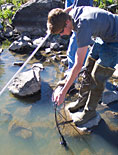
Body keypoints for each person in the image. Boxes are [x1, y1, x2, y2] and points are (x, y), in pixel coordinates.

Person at [47, 5, 118, 125]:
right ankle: (82, 100)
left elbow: (77, 65)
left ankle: (89, 112)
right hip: (104, 36)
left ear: (67, 22)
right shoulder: (69, 14)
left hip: (115, 40)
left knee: (98, 76)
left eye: (61, 31)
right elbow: (65, 11)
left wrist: (63, 92)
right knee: (89, 65)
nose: (62, 35)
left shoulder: (82, 26)